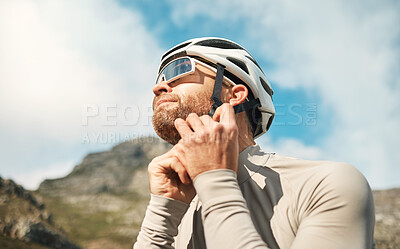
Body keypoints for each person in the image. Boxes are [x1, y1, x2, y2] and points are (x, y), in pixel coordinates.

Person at [133, 37, 375, 249]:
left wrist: (216, 179)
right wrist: (163, 211)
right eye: (160, 78)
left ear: (235, 94)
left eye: (179, 69)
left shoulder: (326, 184)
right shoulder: (174, 217)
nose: (159, 87)